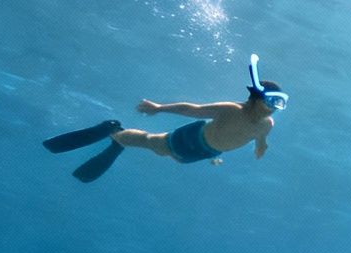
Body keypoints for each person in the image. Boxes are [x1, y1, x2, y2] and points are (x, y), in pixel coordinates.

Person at [42, 55, 286, 183]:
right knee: (155, 144)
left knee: (169, 156)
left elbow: (261, 136)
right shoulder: (231, 109)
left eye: (280, 103)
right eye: (272, 101)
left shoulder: (267, 124)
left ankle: (120, 140)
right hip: (194, 137)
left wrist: (261, 147)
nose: (275, 108)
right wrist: (159, 108)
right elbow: (192, 110)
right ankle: (114, 132)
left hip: (207, 152)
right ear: (255, 97)